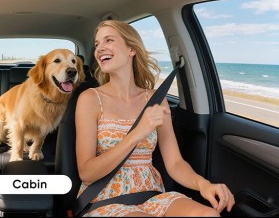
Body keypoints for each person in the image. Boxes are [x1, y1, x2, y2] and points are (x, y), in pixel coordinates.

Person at [75, 20, 235, 217]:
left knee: (209, 215)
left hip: (152, 196)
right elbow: (87, 173)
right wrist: (136, 134)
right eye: (97, 44)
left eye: (108, 40)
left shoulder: (156, 99)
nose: (100, 48)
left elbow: (175, 163)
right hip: (104, 199)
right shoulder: (90, 99)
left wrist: (203, 184)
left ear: (131, 48)